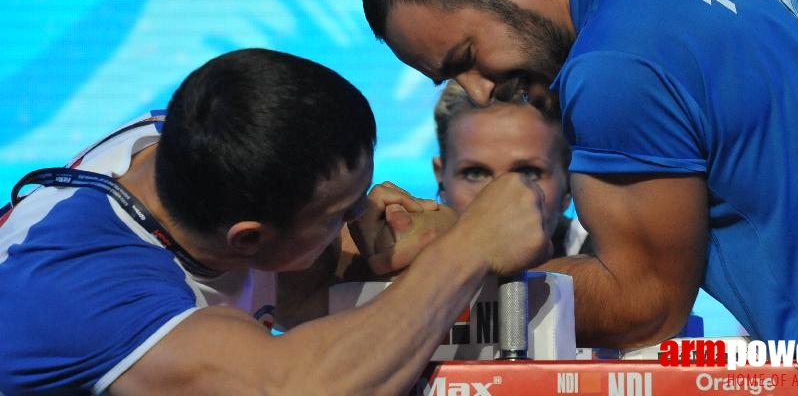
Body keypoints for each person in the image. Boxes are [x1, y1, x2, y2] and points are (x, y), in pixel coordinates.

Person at [360, 0, 798, 394]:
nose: (478, 93)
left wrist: (438, 271)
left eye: (467, 59)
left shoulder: (615, 66)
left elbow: (643, 306)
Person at [0, 48, 549, 395]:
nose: (368, 212)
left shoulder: (211, 143)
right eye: (342, 214)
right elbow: (299, 385)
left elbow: (287, 289)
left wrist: (382, 253)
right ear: (248, 238)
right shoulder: (84, 292)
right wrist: (467, 248)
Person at [433, 80, 591, 257]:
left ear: (569, 184)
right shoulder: (405, 268)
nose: (502, 199)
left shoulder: (611, 263)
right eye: (475, 173)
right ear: (441, 178)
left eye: (528, 173)